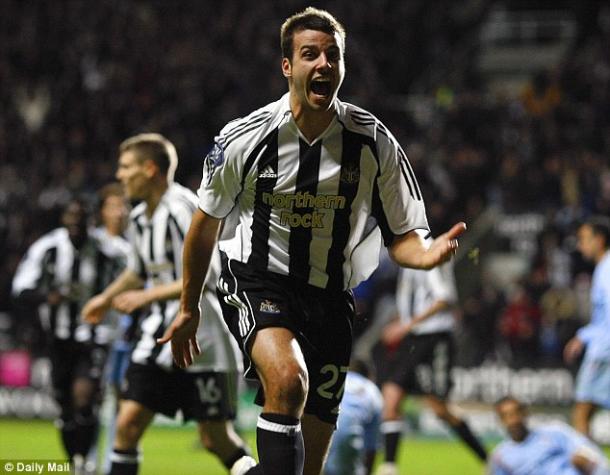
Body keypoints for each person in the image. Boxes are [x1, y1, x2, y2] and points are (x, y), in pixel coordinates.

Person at [159, 8, 466, 475]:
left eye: (333, 55)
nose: (324, 64)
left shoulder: (372, 141)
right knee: (288, 380)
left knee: (307, 467)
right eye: (310, 55)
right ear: (288, 67)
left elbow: (403, 235)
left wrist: (425, 256)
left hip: (329, 297)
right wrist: (188, 305)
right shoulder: (245, 138)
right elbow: (206, 224)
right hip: (257, 280)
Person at [82, 133, 253, 475]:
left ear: (149, 169)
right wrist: (105, 298)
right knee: (127, 425)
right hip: (157, 336)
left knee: (215, 438)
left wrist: (146, 295)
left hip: (200, 339)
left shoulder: (180, 208)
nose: (119, 175)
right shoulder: (143, 217)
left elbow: (205, 276)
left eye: (126, 167)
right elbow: (139, 270)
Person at [12, 198, 126, 473]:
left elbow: (134, 275)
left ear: (92, 222)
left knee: (84, 399)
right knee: (65, 409)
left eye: (82, 220)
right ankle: (75, 461)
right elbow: (21, 288)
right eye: (72, 220)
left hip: (96, 336)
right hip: (59, 339)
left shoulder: (110, 250)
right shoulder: (48, 248)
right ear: (64, 221)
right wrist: (48, 296)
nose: (77, 226)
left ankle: (84, 461)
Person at [375, 257, 487, 475]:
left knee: (440, 409)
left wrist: (405, 326)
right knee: (391, 397)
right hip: (414, 339)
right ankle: (389, 467)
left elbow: (443, 298)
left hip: (434, 337)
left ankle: (487, 459)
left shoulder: (428, 255)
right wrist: (402, 322)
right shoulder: (409, 258)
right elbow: (415, 300)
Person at [91, 183, 135, 475]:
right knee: (91, 401)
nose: (119, 212)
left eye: (124, 206)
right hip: (93, 336)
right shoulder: (90, 245)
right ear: (101, 211)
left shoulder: (136, 247)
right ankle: (86, 458)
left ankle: (111, 463)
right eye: (113, 206)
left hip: (126, 337)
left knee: (122, 404)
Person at [564, 217, 610, 436]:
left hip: (604, 351)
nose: (580, 245)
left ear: (599, 240)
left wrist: (591, 340)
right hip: (602, 345)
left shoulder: (607, 270)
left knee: (582, 411)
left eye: (583, 239)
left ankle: (589, 470)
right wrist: (583, 335)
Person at [489, 396, 609, 475]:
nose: (514, 420)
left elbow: (593, 456)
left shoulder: (555, 432)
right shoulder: (500, 457)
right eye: (508, 416)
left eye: (517, 413)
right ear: (501, 420)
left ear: (525, 413)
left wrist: (589, 465)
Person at [323, 360, 383, 475]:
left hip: (324, 430)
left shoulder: (337, 379)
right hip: (348, 436)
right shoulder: (372, 389)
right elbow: (372, 445)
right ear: (369, 375)